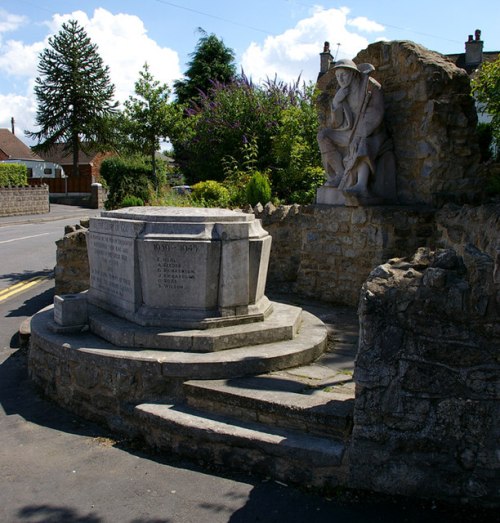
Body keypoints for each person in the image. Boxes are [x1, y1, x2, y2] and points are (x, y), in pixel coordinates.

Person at [317, 58, 387, 197]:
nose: (340, 79)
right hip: (348, 133)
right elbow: (336, 124)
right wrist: (336, 102)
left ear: (353, 73)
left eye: (343, 75)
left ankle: (361, 184)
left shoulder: (370, 86)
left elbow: (376, 113)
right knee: (323, 135)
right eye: (337, 76)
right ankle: (340, 174)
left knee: (362, 143)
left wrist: (361, 132)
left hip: (371, 133)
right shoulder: (341, 91)